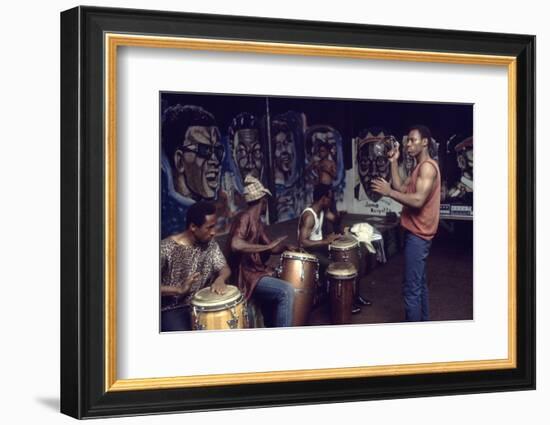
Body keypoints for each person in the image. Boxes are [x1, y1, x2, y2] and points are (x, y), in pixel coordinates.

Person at [371, 125, 441, 322]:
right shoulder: (419, 167)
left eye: (413, 140)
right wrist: (394, 162)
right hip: (417, 234)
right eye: (407, 140)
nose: (408, 144)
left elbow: (418, 200)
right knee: (419, 285)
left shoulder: (427, 167)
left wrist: (389, 192)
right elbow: (402, 187)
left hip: (418, 236)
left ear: (425, 142)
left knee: (411, 290)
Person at [226, 175, 296, 327]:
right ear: (263, 201)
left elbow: (271, 246)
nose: (267, 205)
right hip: (245, 276)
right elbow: (235, 244)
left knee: (280, 281)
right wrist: (267, 247)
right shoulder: (244, 217)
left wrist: (284, 247)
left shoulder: (258, 222)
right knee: (286, 291)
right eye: (266, 201)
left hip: (255, 273)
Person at [297, 184, 371, 313]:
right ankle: (342, 303)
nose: (331, 201)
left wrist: (340, 217)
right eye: (330, 198)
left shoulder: (322, 210)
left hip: (320, 248)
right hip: (310, 253)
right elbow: (302, 243)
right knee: (338, 266)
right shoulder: (309, 216)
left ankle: (355, 296)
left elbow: (334, 219)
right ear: (323, 199)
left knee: (355, 259)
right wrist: (325, 241)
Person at [160, 201, 231, 332]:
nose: (213, 232)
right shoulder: (165, 249)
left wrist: (220, 279)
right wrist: (178, 290)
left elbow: (224, 268)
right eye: (209, 227)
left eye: (214, 227)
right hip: (173, 309)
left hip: (201, 305)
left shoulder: (210, 244)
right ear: (193, 226)